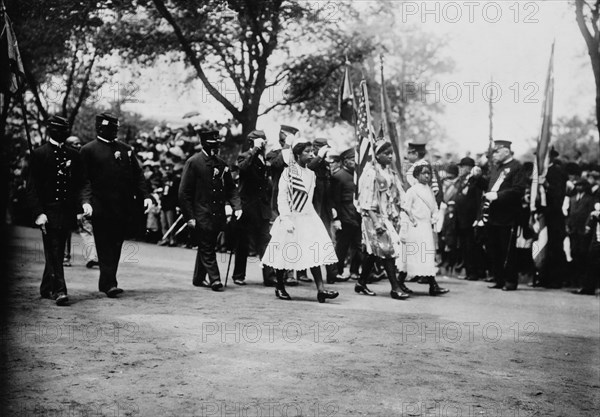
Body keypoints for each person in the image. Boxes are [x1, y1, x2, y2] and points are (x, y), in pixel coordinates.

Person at [80, 113, 152, 298]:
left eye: (115, 128)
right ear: (100, 128)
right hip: (101, 206)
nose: (114, 132)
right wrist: (86, 202)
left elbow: (138, 175)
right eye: (110, 128)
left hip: (122, 207)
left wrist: (145, 195)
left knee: (116, 244)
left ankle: (108, 280)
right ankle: (109, 283)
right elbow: (84, 179)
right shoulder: (88, 150)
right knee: (104, 244)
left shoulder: (126, 149)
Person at [262, 138, 339, 303]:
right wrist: (286, 218)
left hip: (307, 216)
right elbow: (282, 198)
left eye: (312, 151)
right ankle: (280, 286)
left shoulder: (311, 174)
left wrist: (314, 218)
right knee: (285, 253)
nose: (311, 155)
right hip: (291, 216)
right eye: (307, 152)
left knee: (313, 252)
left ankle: (321, 289)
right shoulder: (288, 172)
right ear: (297, 154)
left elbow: (309, 199)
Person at [27, 116, 89, 306]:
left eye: (65, 130)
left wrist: (84, 203)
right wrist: (39, 213)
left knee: (56, 249)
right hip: (48, 211)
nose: (62, 133)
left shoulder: (74, 155)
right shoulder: (39, 154)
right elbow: (32, 187)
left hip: (67, 210)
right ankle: (59, 290)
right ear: (51, 131)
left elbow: (82, 182)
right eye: (58, 129)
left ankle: (46, 287)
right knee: (54, 249)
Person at [178, 130, 242, 292]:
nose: (216, 148)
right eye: (213, 145)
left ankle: (198, 278)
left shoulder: (221, 164)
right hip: (201, 214)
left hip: (217, 215)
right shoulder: (193, 162)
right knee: (207, 246)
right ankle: (215, 279)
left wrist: (237, 207)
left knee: (207, 245)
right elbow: (184, 193)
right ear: (204, 144)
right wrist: (189, 216)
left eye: (218, 144)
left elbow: (231, 189)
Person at [355, 140, 409, 300]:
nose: (390, 156)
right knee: (388, 250)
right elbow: (365, 201)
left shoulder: (389, 172)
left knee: (373, 253)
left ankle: (361, 282)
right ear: (377, 155)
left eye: (391, 153)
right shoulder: (371, 173)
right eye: (386, 153)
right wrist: (376, 222)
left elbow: (394, 195)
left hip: (385, 216)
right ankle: (395, 287)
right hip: (373, 217)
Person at [232, 130, 276, 287]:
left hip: (262, 208)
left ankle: (269, 276)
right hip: (248, 206)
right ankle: (238, 275)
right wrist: (254, 150)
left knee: (265, 241)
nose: (263, 143)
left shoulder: (264, 159)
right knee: (243, 243)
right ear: (252, 142)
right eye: (260, 141)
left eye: (264, 141)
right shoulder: (245, 156)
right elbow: (242, 169)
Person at [484, 140, 527, 291]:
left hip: (508, 215)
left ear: (506, 151)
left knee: (507, 250)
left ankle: (510, 280)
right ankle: (499, 279)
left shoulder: (517, 167)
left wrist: (498, 196)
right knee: (494, 249)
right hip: (494, 215)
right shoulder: (497, 168)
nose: (495, 154)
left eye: (497, 151)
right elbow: (489, 186)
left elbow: (518, 190)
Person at [404, 164, 449, 296]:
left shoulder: (429, 190)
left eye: (428, 173)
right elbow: (406, 208)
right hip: (415, 227)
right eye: (424, 173)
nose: (427, 176)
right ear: (417, 175)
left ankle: (432, 285)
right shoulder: (412, 191)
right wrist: (412, 221)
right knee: (414, 254)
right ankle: (400, 281)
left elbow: (434, 206)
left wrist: (435, 216)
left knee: (427, 255)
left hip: (426, 226)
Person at [65, 135, 98, 269]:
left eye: (79, 144)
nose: (79, 146)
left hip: (81, 201)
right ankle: (65, 257)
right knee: (65, 230)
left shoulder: (84, 161)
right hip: (66, 201)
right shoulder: (62, 159)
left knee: (86, 228)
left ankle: (91, 257)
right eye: (75, 144)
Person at [330, 148, 361, 280]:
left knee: (358, 245)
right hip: (344, 214)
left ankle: (354, 271)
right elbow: (335, 199)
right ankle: (338, 271)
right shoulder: (339, 176)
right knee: (342, 244)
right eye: (352, 160)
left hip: (357, 214)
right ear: (345, 161)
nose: (354, 162)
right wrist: (337, 218)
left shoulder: (359, 175)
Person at [453, 157, 486, 280]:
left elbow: (478, 200)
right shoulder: (462, 180)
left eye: (462, 167)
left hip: (471, 218)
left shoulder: (475, 181)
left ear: (468, 168)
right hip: (461, 219)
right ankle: (469, 271)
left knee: (472, 246)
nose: (460, 169)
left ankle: (475, 272)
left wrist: (478, 218)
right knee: (465, 246)